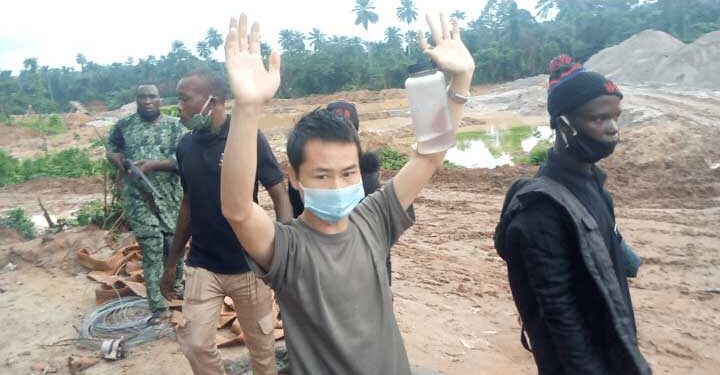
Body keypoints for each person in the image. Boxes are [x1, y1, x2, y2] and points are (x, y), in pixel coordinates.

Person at [219, 12, 474, 374]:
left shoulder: (373, 218)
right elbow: (238, 210)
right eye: (322, 175)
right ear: (294, 178)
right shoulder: (287, 249)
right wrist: (246, 108)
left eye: (348, 173)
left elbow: (429, 155)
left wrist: (461, 79)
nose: (338, 186)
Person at [494, 55, 652, 375]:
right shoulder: (542, 208)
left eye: (615, 117)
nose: (612, 129)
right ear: (563, 125)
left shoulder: (595, 187)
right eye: (598, 119)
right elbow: (559, 312)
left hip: (612, 344)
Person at [160, 69, 292, 375]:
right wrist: (172, 262)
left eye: (184, 98)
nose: (177, 106)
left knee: (262, 352)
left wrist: (283, 253)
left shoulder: (248, 138)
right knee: (194, 343)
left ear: (213, 101)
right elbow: (188, 204)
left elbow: (279, 194)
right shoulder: (185, 146)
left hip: (249, 266)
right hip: (203, 264)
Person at [106, 84, 184, 320]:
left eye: (152, 97)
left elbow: (185, 160)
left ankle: (176, 288)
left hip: (170, 197)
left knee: (173, 245)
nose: (147, 101)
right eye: (142, 97)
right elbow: (111, 146)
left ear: (160, 99)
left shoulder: (175, 127)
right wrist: (116, 158)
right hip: (138, 197)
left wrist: (154, 165)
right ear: (136, 100)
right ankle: (158, 306)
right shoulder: (125, 125)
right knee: (152, 246)